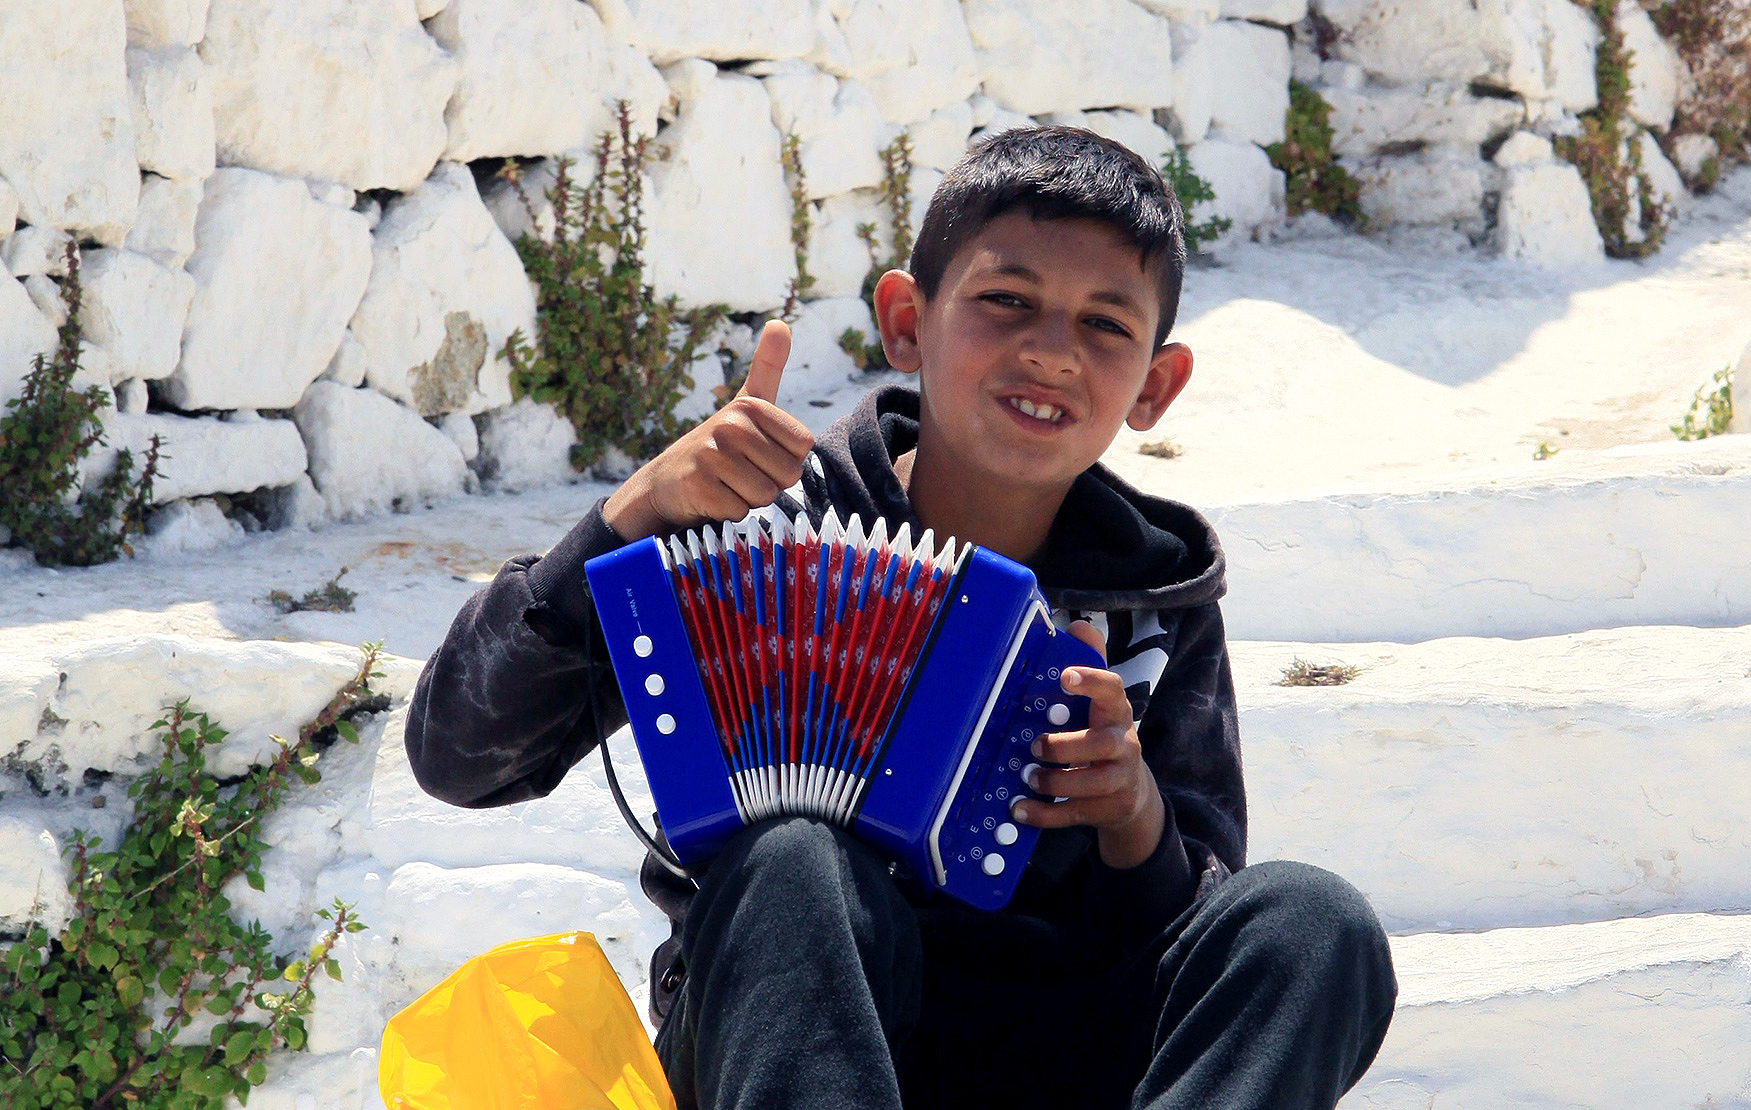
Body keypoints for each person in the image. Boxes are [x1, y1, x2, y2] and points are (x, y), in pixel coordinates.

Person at [405, 125, 1396, 1110]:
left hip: (1061, 1048)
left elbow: (1186, 918)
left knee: (1310, 920)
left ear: (1154, 385)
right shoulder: (750, 536)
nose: (1050, 351)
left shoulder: (1154, 599)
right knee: (794, 862)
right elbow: (459, 756)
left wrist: (1135, 817)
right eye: (1005, 301)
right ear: (905, 321)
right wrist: (630, 517)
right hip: (787, 1035)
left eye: (1104, 325)